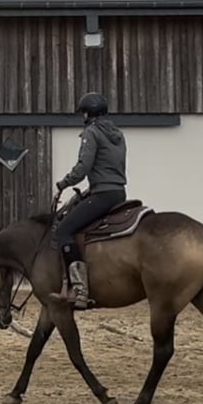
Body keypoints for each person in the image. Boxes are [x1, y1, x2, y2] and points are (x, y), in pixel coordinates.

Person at [52, 92, 128, 309]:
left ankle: (80, 289)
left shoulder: (91, 132)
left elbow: (83, 168)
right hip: (118, 193)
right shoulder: (118, 134)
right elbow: (110, 168)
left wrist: (61, 185)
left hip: (102, 195)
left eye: (83, 112)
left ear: (87, 113)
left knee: (63, 230)